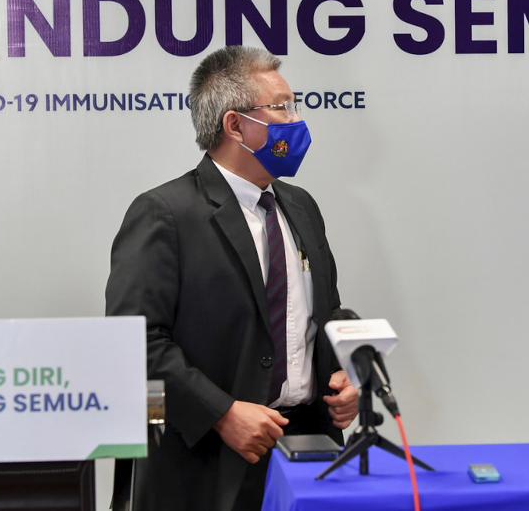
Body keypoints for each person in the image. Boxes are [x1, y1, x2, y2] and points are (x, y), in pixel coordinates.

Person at [106, 46, 358, 511]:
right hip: (207, 462)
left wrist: (343, 375)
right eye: (281, 106)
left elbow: (329, 312)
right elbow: (135, 342)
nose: (295, 120)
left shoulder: (300, 207)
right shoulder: (165, 214)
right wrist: (221, 414)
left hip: (307, 454)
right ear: (236, 125)